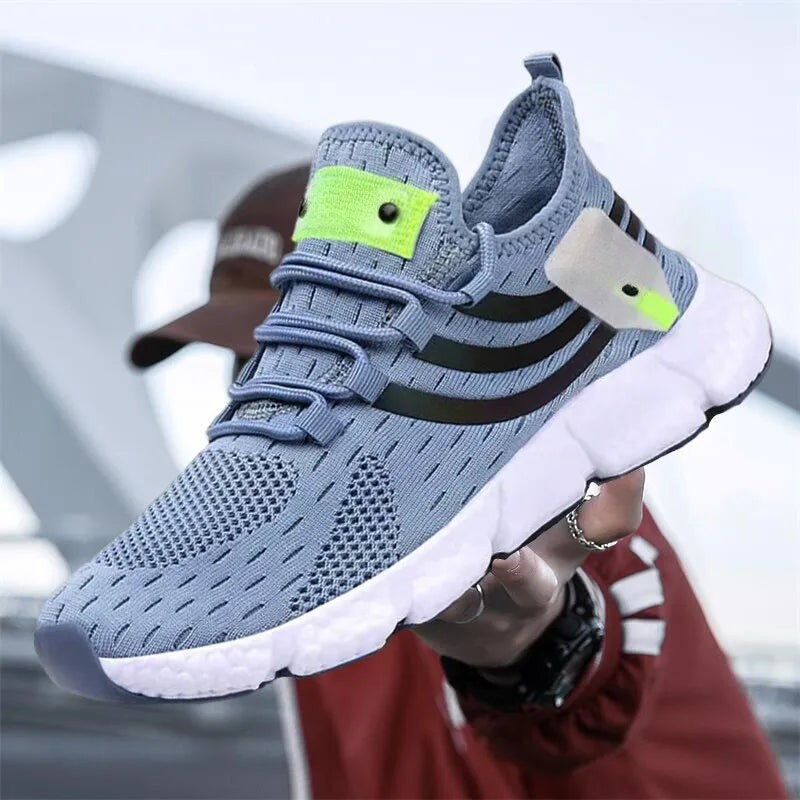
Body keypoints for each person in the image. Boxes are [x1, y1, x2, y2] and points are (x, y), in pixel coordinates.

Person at [129, 165, 787, 799]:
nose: (264, 402)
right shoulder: (318, 545)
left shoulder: (554, 499)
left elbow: (587, 664)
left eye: (308, 358)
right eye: (246, 365)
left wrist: (530, 653)